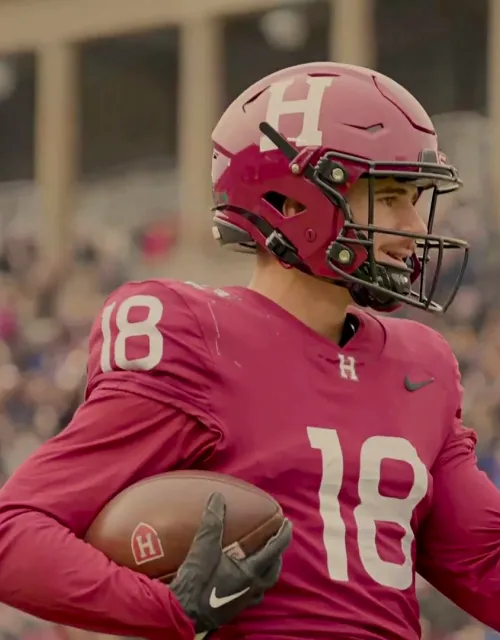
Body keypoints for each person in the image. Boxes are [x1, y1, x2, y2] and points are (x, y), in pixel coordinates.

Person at [0, 61, 497, 640]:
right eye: (388, 198)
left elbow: (483, 559)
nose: (412, 224)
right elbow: (16, 531)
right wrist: (165, 610)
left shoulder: (422, 364)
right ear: (292, 203)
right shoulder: (194, 332)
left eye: (413, 198)